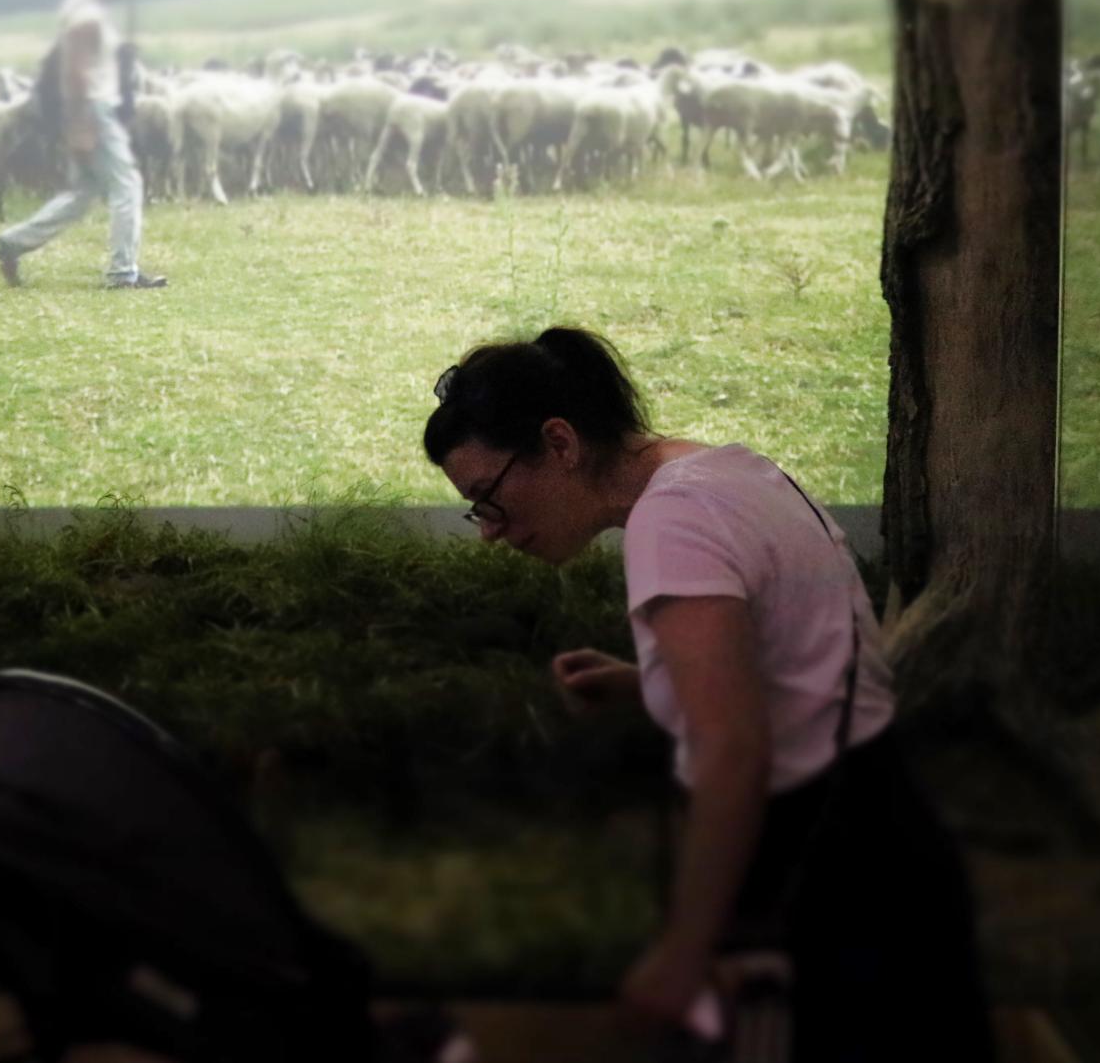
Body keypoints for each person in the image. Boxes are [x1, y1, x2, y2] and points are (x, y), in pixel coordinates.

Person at [423, 326, 993, 1062]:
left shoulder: (673, 524)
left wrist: (682, 953)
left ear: (559, 443)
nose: (489, 533)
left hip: (833, 887)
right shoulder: (728, 472)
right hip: (887, 837)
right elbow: (801, 657)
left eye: (488, 499)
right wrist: (651, 682)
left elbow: (733, 751)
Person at [0, 0, 167, 290]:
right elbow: (75, 71)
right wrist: (81, 124)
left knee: (82, 193)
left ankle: (13, 242)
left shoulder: (82, 6)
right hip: (94, 110)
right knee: (127, 186)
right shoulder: (87, 15)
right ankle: (122, 272)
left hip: (90, 109)